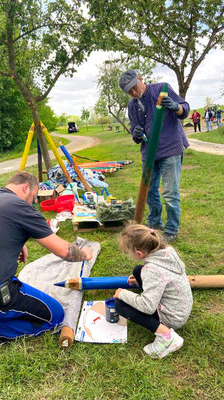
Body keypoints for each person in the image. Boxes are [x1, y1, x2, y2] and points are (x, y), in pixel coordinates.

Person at [0, 171, 92, 348]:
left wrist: (18, 243)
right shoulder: (22, 208)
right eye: (34, 197)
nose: (33, 203)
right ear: (26, 187)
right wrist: (86, 254)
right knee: (55, 315)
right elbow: (63, 251)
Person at [119, 70, 190, 243]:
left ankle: (172, 230)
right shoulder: (132, 106)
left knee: (169, 192)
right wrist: (135, 134)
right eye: (130, 91)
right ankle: (155, 222)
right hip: (149, 153)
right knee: (149, 190)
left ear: (141, 79)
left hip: (170, 148)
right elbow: (136, 136)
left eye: (135, 87)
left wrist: (175, 106)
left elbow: (185, 110)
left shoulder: (161, 89)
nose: (134, 92)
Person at [113, 224, 193, 359]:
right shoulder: (167, 251)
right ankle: (165, 333)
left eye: (128, 252)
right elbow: (162, 278)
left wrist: (123, 293)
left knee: (120, 305)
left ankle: (167, 337)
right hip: (180, 307)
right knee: (138, 270)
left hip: (173, 317)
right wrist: (142, 279)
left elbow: (147, 307)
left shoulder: (152, 271)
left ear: (138, 253)